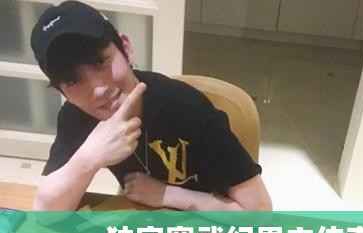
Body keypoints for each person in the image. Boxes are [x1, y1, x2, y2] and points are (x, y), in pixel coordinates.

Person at [30, 1, 272, 212]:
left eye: (100, 62)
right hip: (146, 223)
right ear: (62, 92)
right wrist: (89, 158)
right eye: (73, 81)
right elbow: (45, 212)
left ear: (126, 48)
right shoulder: (76, 116)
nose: (99, 89)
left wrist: (167, 194)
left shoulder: (188, 109)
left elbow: (260, 214)